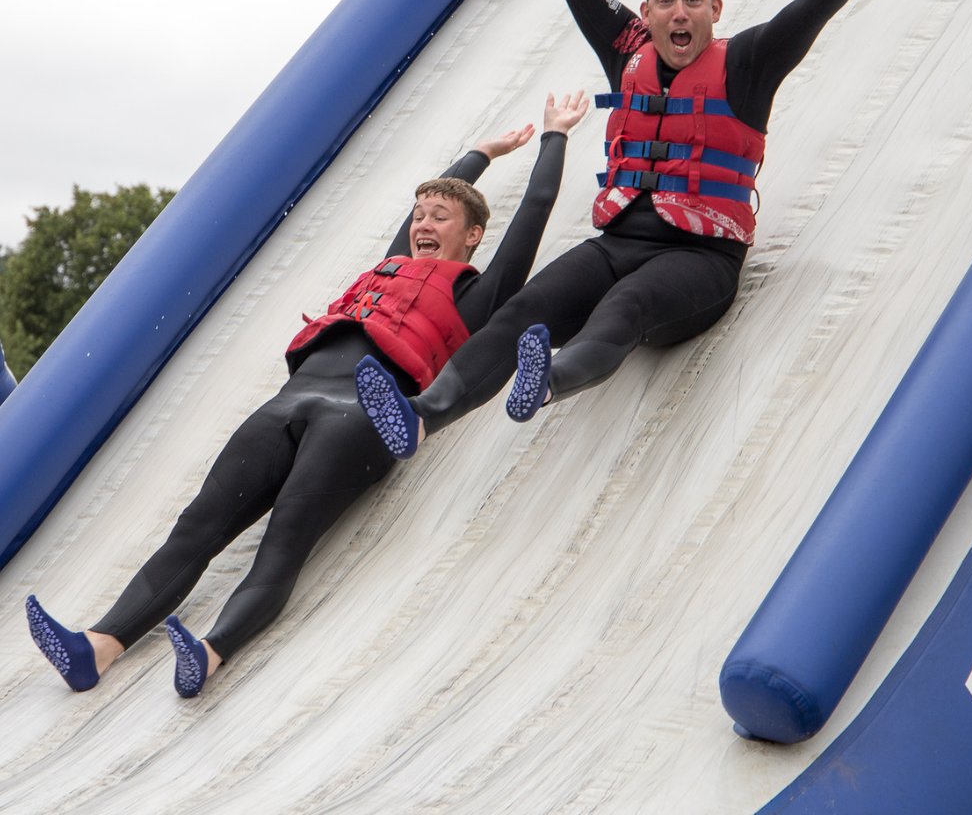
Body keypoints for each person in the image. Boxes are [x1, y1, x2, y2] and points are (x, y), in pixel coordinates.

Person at [353, 0, 906, 461]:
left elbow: (810, 8)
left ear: (714, 10)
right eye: (665, 1)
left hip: (700, 264)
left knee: (628, 305)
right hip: (616, 242)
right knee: (522, 310)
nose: (679, 12)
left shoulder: (748, 64)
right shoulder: (627, 51)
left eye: (692, 0)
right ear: (647, 12)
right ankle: (422, 417)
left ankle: (547, 381)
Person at [26, 93, 588, 698]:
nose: (423, 224)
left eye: (439, 217)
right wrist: (483, 150)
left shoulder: (481, 292)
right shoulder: (394, 265)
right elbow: (433, 202)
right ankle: (98, 646)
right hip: (291, 400)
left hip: (363, 415)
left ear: (473, 235)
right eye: (418, 214)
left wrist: (553, 136)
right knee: (196, 527)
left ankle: (212, 653)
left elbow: (532, 210)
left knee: (285, 538)